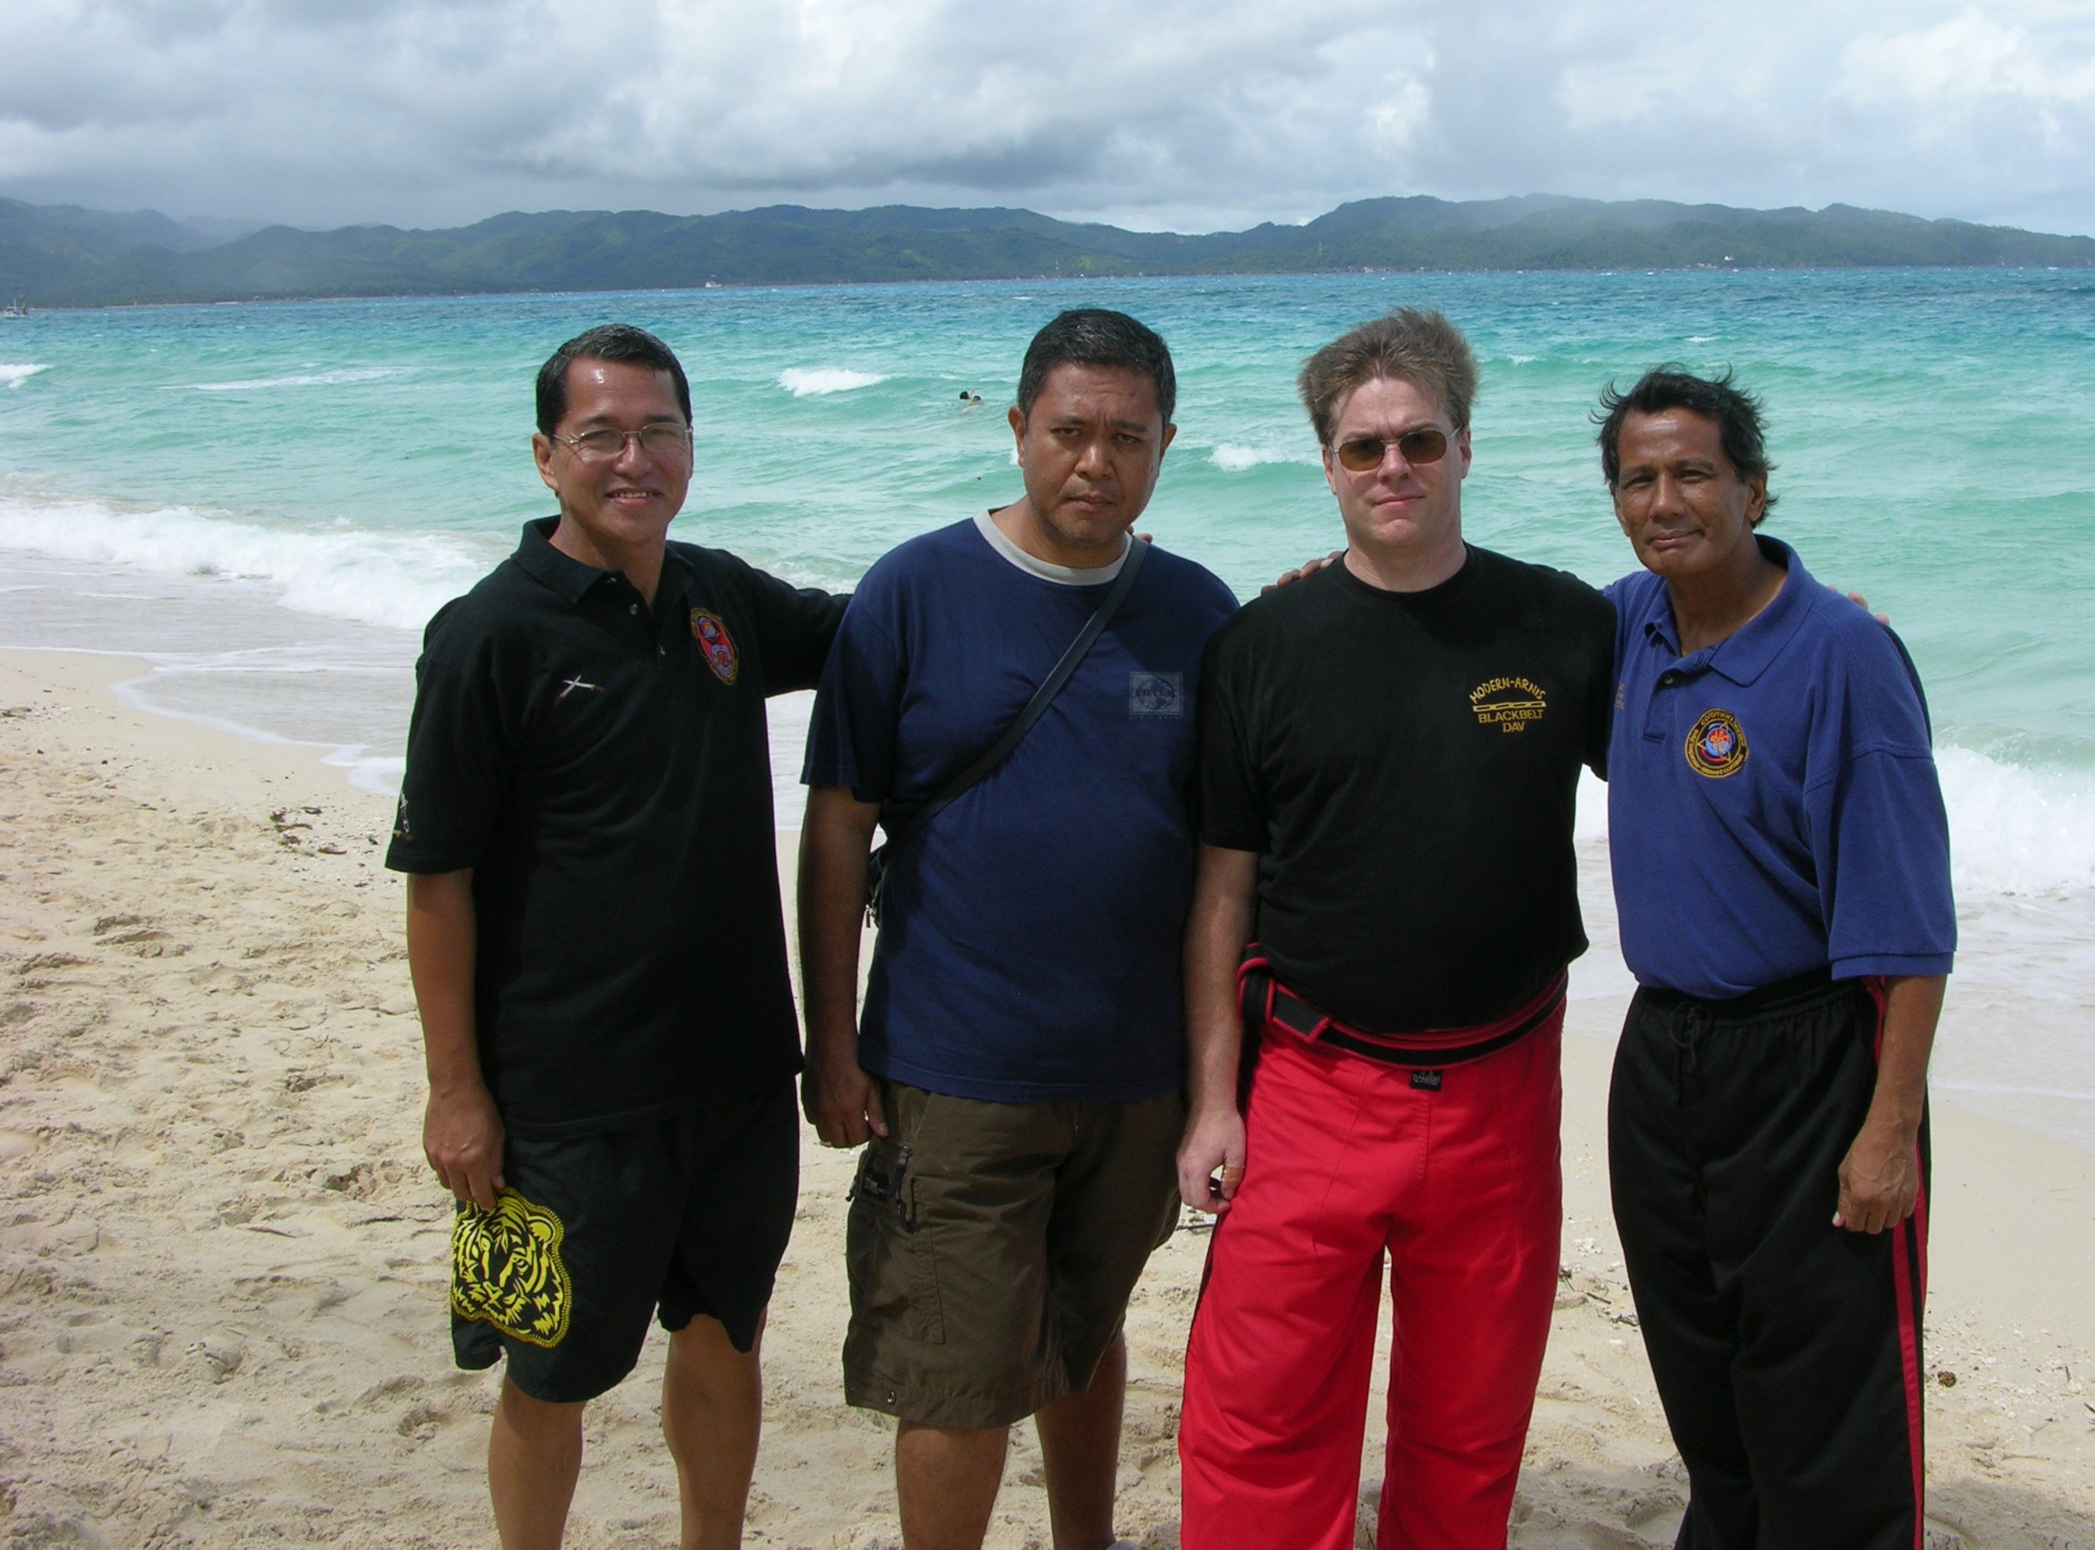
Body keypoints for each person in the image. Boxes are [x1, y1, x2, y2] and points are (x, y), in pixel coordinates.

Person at [387, 324, 847, 1550]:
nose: (632, 458)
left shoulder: (717, 594)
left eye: (659, 432)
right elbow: (439, 882)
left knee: (725, 1334)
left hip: (740, 1074)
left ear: (693, 447)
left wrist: (1046, 562)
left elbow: (882, 634)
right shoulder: (491, 635)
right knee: (549, 1371)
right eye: (601, 435)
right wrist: (456, 1092)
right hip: (566, 1097)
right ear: (546, 457)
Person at [1173, 307, 1616, 1550]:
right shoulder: (1259, 647)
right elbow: (1221, 886)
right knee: (1260, 1428)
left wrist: (1810, 610)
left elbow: (1704, 707)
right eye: (1363, 449)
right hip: (1311, 1083)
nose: (1393, 470)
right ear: (1325, 464)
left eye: (1419, 441)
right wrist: (1213, 1101)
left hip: (1502, 1091)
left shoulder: (1566, 625)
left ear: (1466, 448)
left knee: (1468, 1436)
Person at [797, 309, 1239, 1550]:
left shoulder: (1199, 612)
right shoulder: (914, 591)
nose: (1094, 462)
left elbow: (1229, 855)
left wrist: (1215, 1077)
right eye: (1068, 433)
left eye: (1126, 438)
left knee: (1081, 1337)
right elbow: (837, 834)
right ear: (1016, 430)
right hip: (955, 1066)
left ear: (1165, 445)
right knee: (958, 1369)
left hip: (1133, 1073)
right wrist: (831, 1046)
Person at [1595, 367, 1953, 1550]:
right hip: (1661, 1056)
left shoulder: (1843, 654)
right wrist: (1322, 583)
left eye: (1693, 472)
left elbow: (1909, 926)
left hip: (1814, 1059)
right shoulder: (1621, 626)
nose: (1666, 500)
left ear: (1752, 486)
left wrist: (1887, 1128)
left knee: (1830, 1407)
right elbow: (1459, 639)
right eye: (1638, 479)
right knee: (1701, 1371)